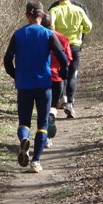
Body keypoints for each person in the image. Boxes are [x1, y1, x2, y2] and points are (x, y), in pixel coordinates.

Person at [4, 1, 68, 173]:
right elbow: (62, 59)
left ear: (27, 15)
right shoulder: (48, 34)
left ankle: (24, 139)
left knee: (24, 122)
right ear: (42, 16)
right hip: (44, 86)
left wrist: (15, 74)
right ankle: (35, 162)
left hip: (24, 85)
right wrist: (63, 74)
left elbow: (7, 60)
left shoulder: (18, 34)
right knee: (42, 123)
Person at [49, 0, 92, 119]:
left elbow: (50, 27)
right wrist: (80, 29)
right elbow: (88, 26)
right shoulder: (79, 10)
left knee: (59, 73)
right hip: (74, 45)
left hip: (59, 46)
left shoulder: (54, 10)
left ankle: (59, 100)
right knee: (72, 74)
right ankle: (70, 103)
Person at [41, 13, 73, 145]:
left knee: (43, 107)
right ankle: (51, 122)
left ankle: (45, 137)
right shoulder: (62, 38)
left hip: (41, 77)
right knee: (53, 106)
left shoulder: (37, 38)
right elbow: (68, 59)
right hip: (57, 78)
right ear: (52, 24)